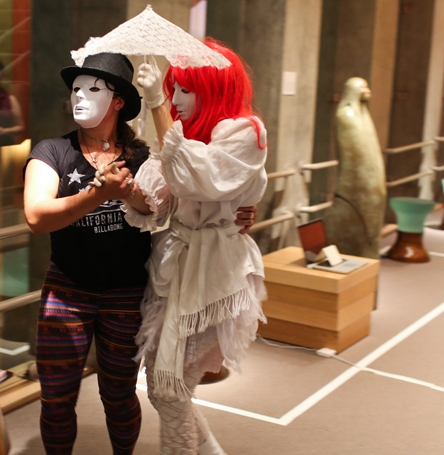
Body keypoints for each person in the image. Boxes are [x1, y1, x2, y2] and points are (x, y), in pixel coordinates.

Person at [23, 51, 258, 455]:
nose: (78, 97)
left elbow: (179, 195)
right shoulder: (52, 151)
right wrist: (100, 192)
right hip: (67, 289)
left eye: (93, 89)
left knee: (119, 394)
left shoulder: (144, 155)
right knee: (57, 397)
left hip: (128, 292)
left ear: (118, 101)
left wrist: (230, 210)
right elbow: (37, 215)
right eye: (75, 88)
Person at [124, 39, 268, 455]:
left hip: (215, 274)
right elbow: (157, 199)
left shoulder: (244, 130)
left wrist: (156, 104)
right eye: (173, 89)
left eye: (185, 89)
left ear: (214, 88)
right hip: (176, 266)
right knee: (163, 386)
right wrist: (123, 190)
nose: (176, 98)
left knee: (170, 388)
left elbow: (197, 177)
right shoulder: (185, 134)